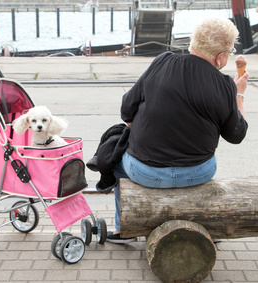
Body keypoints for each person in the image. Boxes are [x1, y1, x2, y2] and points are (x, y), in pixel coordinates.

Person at [105, 17, 249, 244]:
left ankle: (124, 228)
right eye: (229, 52)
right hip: (197, 173)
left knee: (116, 162)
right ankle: (202, 223)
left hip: (144, 172)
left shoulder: (163, 62)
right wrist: (239, 94)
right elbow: (236, 134)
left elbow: (126, 109)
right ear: (220, 57)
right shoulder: (225, 85)